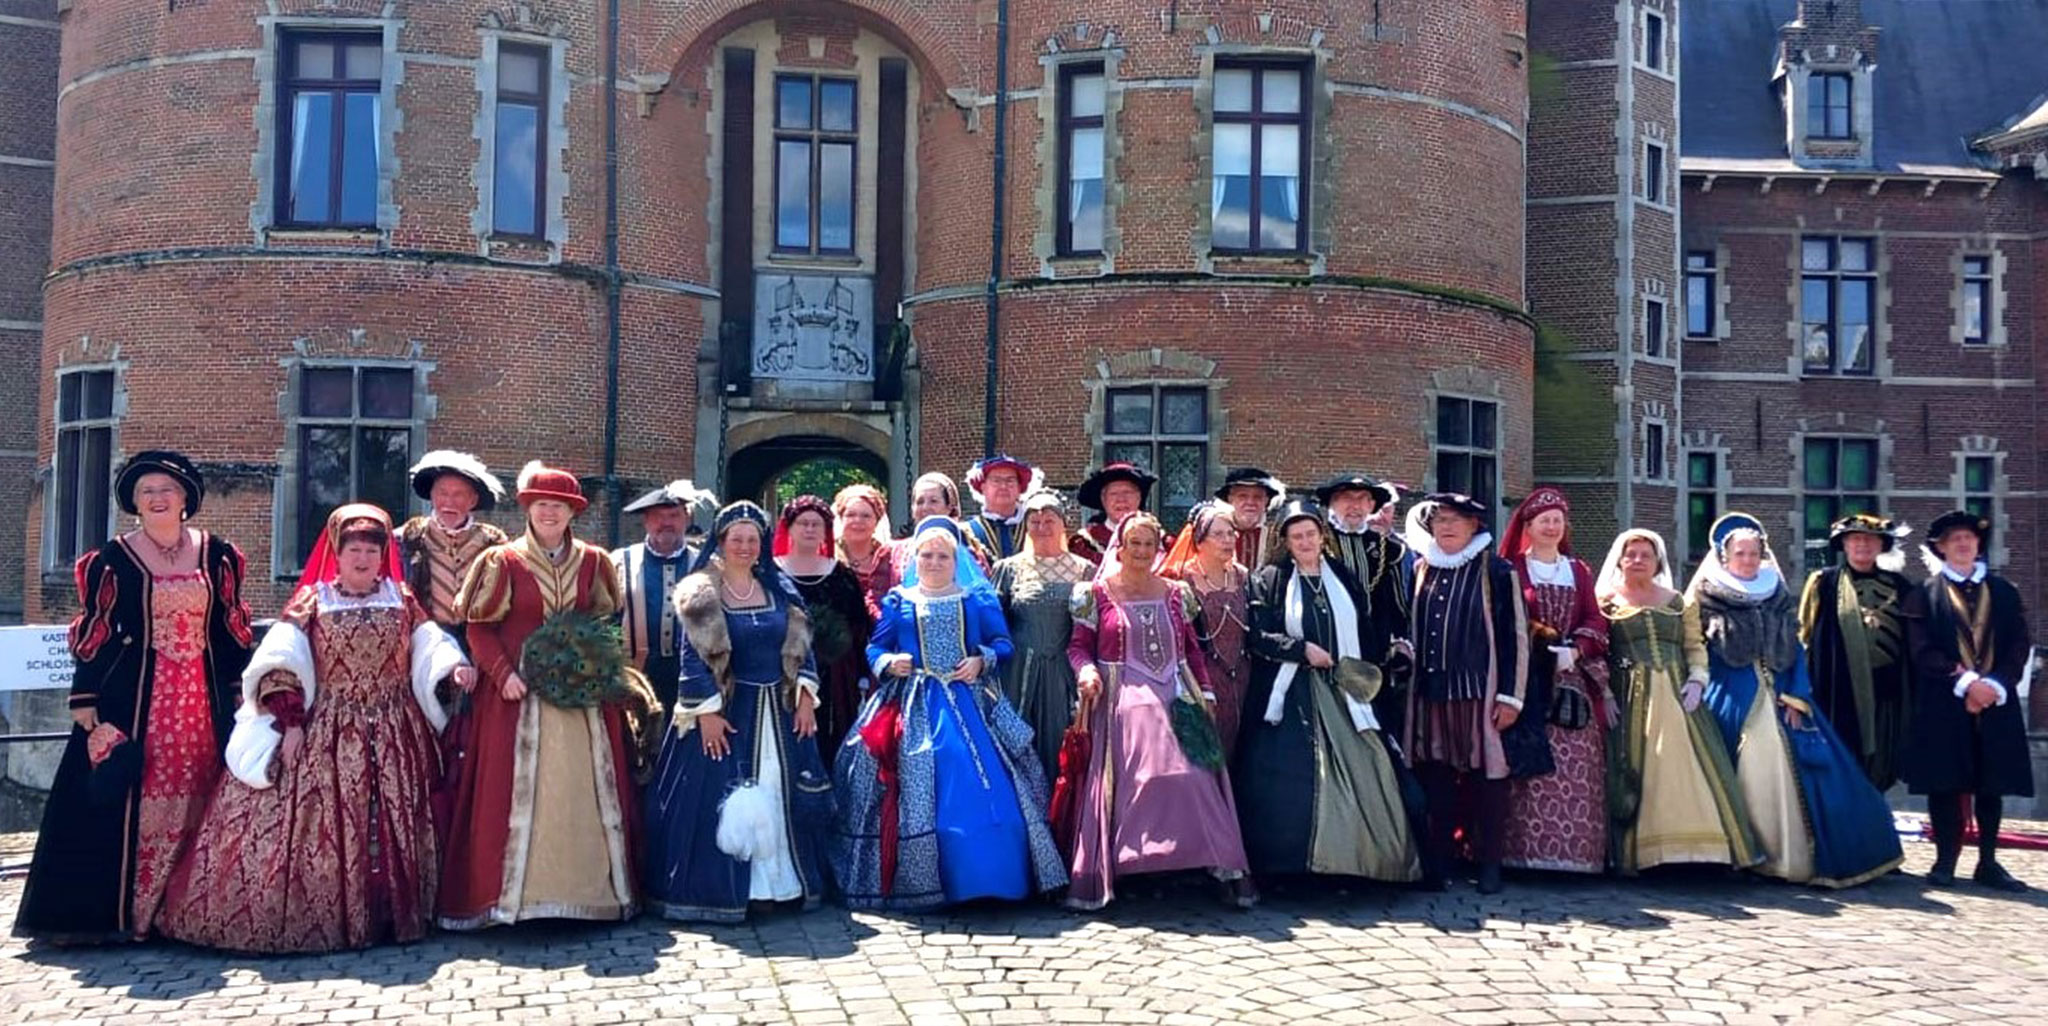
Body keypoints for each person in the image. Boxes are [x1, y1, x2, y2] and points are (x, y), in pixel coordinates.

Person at [154, 504, 470, 953]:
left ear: (383, 555)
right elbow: (281, 657)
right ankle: (330, 916)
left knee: (401, 815)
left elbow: (429, 643)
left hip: (397, 724)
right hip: (330, 726)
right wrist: (291, 721)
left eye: (372, 550)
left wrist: (452, 666)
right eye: (354, 550)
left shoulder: (401, 598)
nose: (363, 558)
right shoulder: (313, 601)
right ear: (337, 554)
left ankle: (391, 913)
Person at [15, 451, 256, 943]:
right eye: (147, 492)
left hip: (202, 700)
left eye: (167, 490)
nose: (157, 498)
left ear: (185, 498)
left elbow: (229, 631)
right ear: (135, 503)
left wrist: (238, 689)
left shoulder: (217, 555)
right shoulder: (113, 560)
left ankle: (185, 911)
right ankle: (131, 914)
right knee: (129, 795)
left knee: (204, 796)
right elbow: (98, 632)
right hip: (135, 698)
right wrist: (85, 695)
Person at [438, 460, 658, 929]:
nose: (549, 513)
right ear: (528, 509)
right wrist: (503, 674)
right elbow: (478, 629)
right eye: (541, 505)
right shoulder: (502, 561)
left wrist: (598, 668)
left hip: (583, 702)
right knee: (513, 794)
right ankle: (515, 900)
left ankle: (587, 895)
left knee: (583, 790)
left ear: (573, 512)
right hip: (517, 699)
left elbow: (603, 623)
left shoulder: (594, 562)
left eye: (559, 506)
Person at [834, 517, 1066, 911]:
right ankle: (931, 878)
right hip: (913, 702)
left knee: (981, 780)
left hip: (968, 700)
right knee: (919, 781)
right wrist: (888, 662)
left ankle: (989, 877)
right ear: (916, 559)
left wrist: (981, 660)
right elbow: (875, 648)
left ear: (956, 560)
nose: (934, 562)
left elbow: (1002, 643)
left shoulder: (975, 600)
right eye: (927, 555)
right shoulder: (899, 601)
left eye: (943, 556)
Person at [644, 502, 836, 921]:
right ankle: (736, 891)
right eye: (737, 539)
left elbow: (801, 644)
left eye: (753, 539)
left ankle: (781, 885)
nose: (745, 546)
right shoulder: (700, 594)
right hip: (727, 711)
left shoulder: (779, 588)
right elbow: (692, 658)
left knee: (781, 790)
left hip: (780, 712)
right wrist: (706, 713)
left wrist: (805, 696)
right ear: (721, 541)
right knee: (723, 795)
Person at [1688, 513, 1903, 888]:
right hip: (1729, 693)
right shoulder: (1705, 597)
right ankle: (1745, 852)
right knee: (1750, 759)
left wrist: (1797, 695)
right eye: (1740, 554)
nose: (1748, 560)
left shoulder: (1775, 593)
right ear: (1725, 557)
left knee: (1820, 771)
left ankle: (1784, 856)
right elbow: (1694, 648)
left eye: (1754, 553)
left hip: (1782, 690)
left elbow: (1796, 648)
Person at [1067, 513, 1254, 909]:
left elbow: (1190, 649)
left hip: (1176, 688)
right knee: (1146, 773)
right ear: (1120, 548)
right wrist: (1086, 671)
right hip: (1122, 693)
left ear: (1158, 550)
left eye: (1148, 544)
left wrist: (1205, 691)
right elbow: (1079, 646)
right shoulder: (1095, 594)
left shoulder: (1176, 593)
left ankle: (1203, 863)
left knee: (1195, 773)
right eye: (1134, 543)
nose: (1141, 551)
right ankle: (1133, 863)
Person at [1235, 500, 1420, 885]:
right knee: (1293, 778)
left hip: (1345, 686)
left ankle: (1361, 863)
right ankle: (1293, 869)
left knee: (1370, 763)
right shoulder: (1270, 579)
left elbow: (1365, 628)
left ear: (1322, 536)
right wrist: (1300, 649)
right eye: (1296, 536)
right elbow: (1258, 636)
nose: (1305, 542)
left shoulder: (1343, 576)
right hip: (1292, 692)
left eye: (1310, 534)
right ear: (1286, 541)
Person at [1597, 529, 1760, 874]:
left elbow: (1694, 647)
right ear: (1620, 561)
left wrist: (1698, 680)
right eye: (1631, 555)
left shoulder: (1678, 602)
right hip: (1629, 696)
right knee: (1638, 767)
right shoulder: (1605, 602)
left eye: (1646, 555)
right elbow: (1598, 651)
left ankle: (1702, 850)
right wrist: (1605, 692)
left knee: (1691, 767)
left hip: (1678, 695)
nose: (1638, 560)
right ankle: (1645, 854)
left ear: (1658, 562)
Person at [1401, 493, 1535, 894]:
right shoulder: (1421, 568)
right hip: (1430, 693)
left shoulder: (1496, 570)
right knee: (1436, 777)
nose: (1446, 527)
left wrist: (1510, 696)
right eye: (1439, 520)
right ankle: (1441, 862)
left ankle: (1489, 863)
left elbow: (1515, 637)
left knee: (1487, 778)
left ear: (1474, 526)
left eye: (1455, 520)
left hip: (1481, 693)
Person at [1903, 510, 2035, 891]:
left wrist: (1995, 684)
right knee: (1944, 782)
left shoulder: (2004, 592)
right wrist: (1965, 681)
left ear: (1978, 545)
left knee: (1991, 782)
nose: (1963, 544)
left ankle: (1988, 861)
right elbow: (1920, 649)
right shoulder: (1924, 594)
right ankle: (1945, 859)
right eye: (1954, 540)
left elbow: (2018, 644)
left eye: (1969, 538)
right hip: (1945, 700)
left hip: (1996, 699)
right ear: (1941, 549)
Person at [1496, 488, 1611, 875]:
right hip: (1525, 676)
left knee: (1576, 759)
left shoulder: (1578, 571)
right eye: (1544, 520)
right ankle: (1520, 851)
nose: (1551, 527)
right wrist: (1538, 639)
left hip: (1567, 677)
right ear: (1527, 527)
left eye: (1557, 520)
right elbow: (1502, 617)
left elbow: (1595, 619)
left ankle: (1576, 854)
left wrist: (1577, 649)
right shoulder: (1512, 569)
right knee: (1525, 758)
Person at [1799, 513, 1913, 791]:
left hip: (1887, 693)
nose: (1863, 545)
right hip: (1838, 691)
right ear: (1844, 544)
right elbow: (1804, 637)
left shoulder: (1901, 587)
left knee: (1882, 765)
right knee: (1843, 762)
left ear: (1881, 545)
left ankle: (1875, 811)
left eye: (1870, 540)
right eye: (1855, 539)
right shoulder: (1823, 583)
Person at [991, 487, 1097, 781]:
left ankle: (1060, 807)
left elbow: (1092, 628)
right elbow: (993, 623)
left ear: (1063, 524)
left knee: (1062, 743)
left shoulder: (1085, 570)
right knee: (1016, 743)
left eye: (1049, 520)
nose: (1042, 527)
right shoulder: (1008, 569)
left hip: (1064, 671)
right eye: (1034, 521)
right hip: (1018, 672)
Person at [1316, 473, 1414, 740]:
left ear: (1372, 506)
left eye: (1362, 499)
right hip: (1327, 647)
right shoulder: (1316, 543)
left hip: (1373, 650)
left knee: (1375, 723)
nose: (1355, 506)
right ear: (1332, 504)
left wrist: (1400, 642)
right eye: (1346, 498)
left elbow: (1398, 604)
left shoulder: (1389, 549)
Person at [775, 495, 873, 761]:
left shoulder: (841, 574)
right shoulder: (771, 574)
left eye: (816, 524)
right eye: (803, 523)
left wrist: (861, 674)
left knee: (831, 745)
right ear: (789, 528)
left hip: (836, 677)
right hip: (782, 671)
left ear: (825, 531)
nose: (809, 529)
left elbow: (859, 628)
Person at [1158, 500, 1252, 760]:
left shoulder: (1243, 577)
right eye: (1218, 534)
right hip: (1201, 678)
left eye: (1231, 533)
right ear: (1200, 541)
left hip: (1244, 677)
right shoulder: (1179, 581)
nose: (1227, 540)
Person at [612, 479, 717, 713]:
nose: (666, 523)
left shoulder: (707, 566)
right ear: (646, 520)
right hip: (634, 678)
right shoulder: (620, 562)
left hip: (693, 678)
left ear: (687, 518)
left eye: (674, 516)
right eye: (658, 516)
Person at [396, 450, 509, 640]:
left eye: (458, 495)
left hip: (481, 639)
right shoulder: (407, 539)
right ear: (432, 496)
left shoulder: (493, 543)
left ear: (473, 500)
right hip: (425, 639)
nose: (449, 502)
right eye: (442, 493)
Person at [899, 471, 992, 571]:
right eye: (920, 502)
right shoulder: (899, 553)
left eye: (933, 501)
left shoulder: (971, 553)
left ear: (950, 507)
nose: (925, 507)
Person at [834, 483, 898, 620]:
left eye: (866, 516)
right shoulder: (828, 558)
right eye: (850, 515)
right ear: (841, 519)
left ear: (877, 521)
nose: (858, 521)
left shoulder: (891, 559)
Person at [1071, 462, 1157, 563]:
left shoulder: (1161, 542)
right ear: (1103, 500)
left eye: (1127, 492)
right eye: (1113, 494)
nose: (1121, 499)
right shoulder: (1085, 544)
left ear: (1139, 497)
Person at [965, 454, 1043, 562]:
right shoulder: (967, 531)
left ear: (1020, 488)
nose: (1003, 486)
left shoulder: (1037, 526)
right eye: (996, 481)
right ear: (983, 487)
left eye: (1010, 480)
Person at [1219, 467, 1286, 569]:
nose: (1250, 502)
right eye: (1242, 496)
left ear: (1266, 501)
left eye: (1257, 497)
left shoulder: (1278, 537)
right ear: (1230, 499)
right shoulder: (1214, 534)